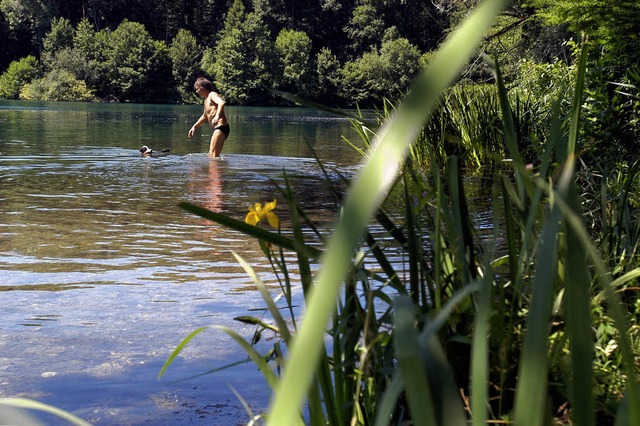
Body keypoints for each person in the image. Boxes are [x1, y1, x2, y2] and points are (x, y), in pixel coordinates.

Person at [188, 77, 230, 158]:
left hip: (221, 127)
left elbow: (221, 103)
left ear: (203, 87)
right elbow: (205, 116)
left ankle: (215, 170)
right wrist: (194, 127)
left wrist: (217, 116)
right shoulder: (206, 100)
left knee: (213, 156)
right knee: (211, 155)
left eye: (197, 89)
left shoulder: (212, 94)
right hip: (218, 128)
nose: (196, 91)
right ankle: (216, 169)